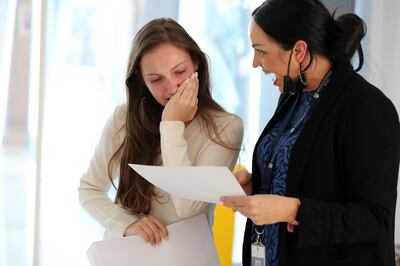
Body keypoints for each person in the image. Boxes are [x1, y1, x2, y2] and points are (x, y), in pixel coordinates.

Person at [220, 0, 400, 265]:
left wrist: (294, 210)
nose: (255, 64)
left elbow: (374, 218)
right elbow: (304, 176)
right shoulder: (293, 97)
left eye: (260, 51)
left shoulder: (368, 108)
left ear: (299, 50)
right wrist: (259, 184)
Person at [79, 17, 243, 246]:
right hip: (128, 257)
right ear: (141, 80)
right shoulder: (123, 119)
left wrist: (171, 125)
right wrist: (127, 225)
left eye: (179, 71)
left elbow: (187, 207)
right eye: (156, 79)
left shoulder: (225, 128)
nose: (172, 87)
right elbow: (90, 189)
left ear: (195, 62)